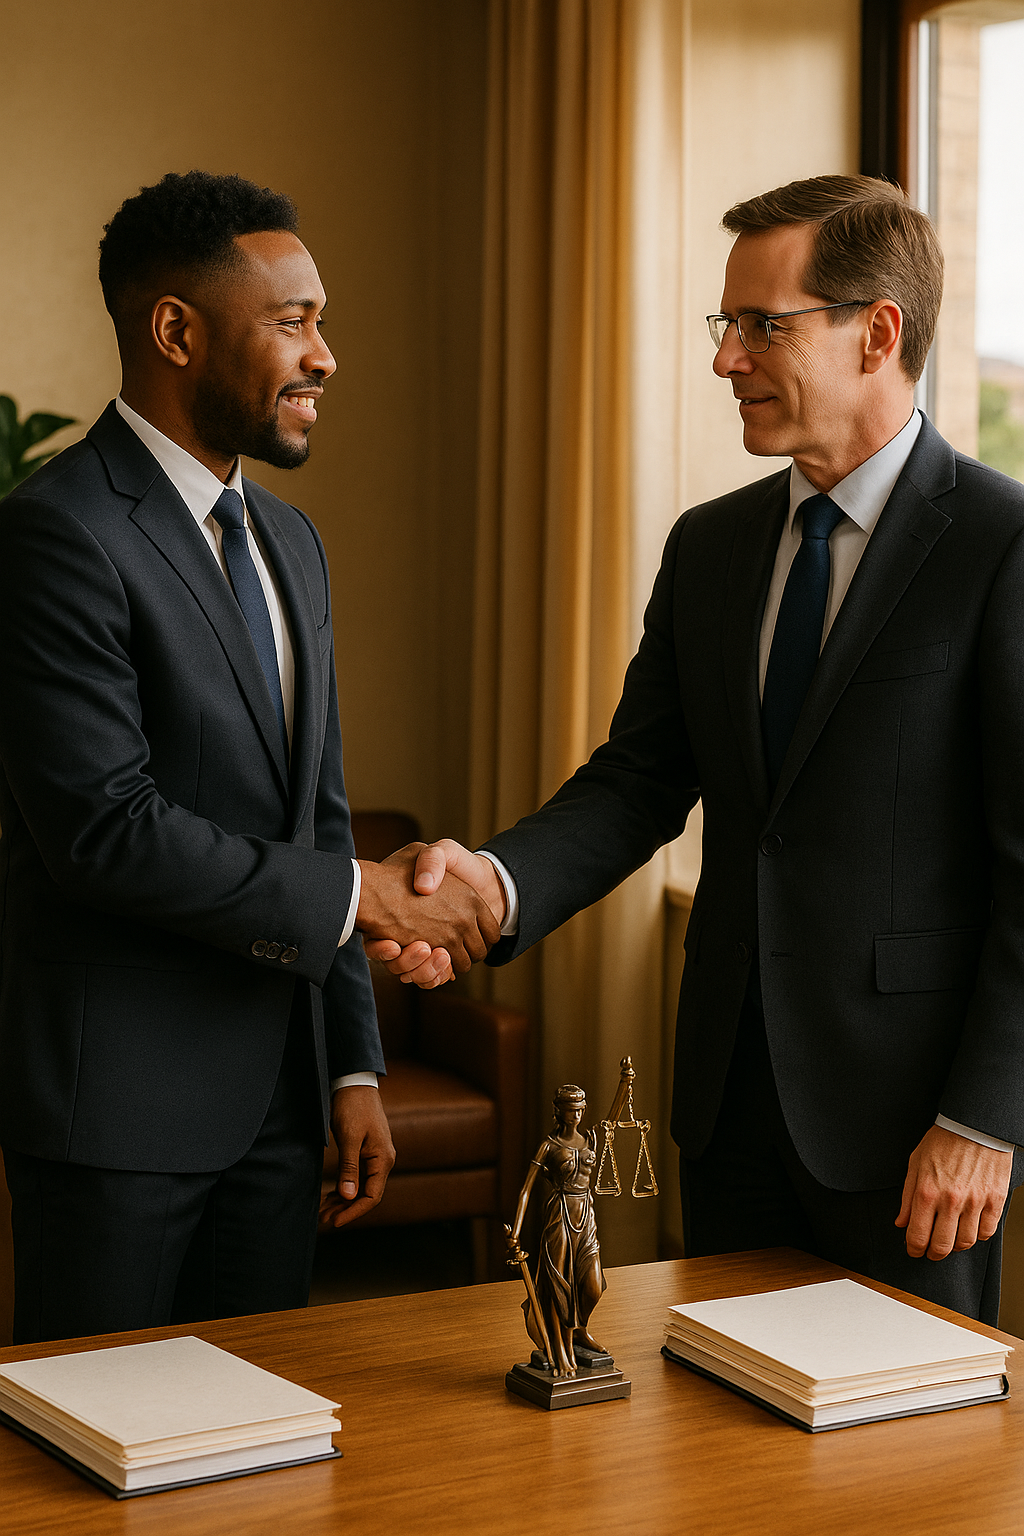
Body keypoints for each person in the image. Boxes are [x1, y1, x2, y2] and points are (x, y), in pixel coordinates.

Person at [374, 175, 1024, 1325]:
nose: (726, 359)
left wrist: (982, 1120)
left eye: (760, 327)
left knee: (897, 1486)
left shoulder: (1001, 542)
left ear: (877, 332)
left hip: (915, 1133)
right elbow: (636, 783)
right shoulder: (711, 547)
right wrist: (492, 884)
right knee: (728, 1448)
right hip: (727, 1107)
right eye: (725, 327)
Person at [0, 171, 497, 1343]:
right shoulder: (52, 536)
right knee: (97, 1470)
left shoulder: (289, 540)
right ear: (176, 329)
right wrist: (366, 897)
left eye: (321, 321)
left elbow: (311, 814)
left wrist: (353, 1072)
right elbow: (104, 832)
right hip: (114, 1125)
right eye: (294, 321)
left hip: (282, 1115)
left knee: (260, 1466)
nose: (325, 354)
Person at [508, 1085, 606, 1378]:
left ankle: (578, 1331)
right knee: (557, 1284)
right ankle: (561, 1348)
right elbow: (526, 1189)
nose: (576, 1115)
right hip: (560, 1213)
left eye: (580, 1109)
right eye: (570, 1109)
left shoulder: (590, 1139)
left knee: (593, 1285)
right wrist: (516, 1229)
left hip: (585, 1212)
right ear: (558, 1111)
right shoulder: (548, 1146)